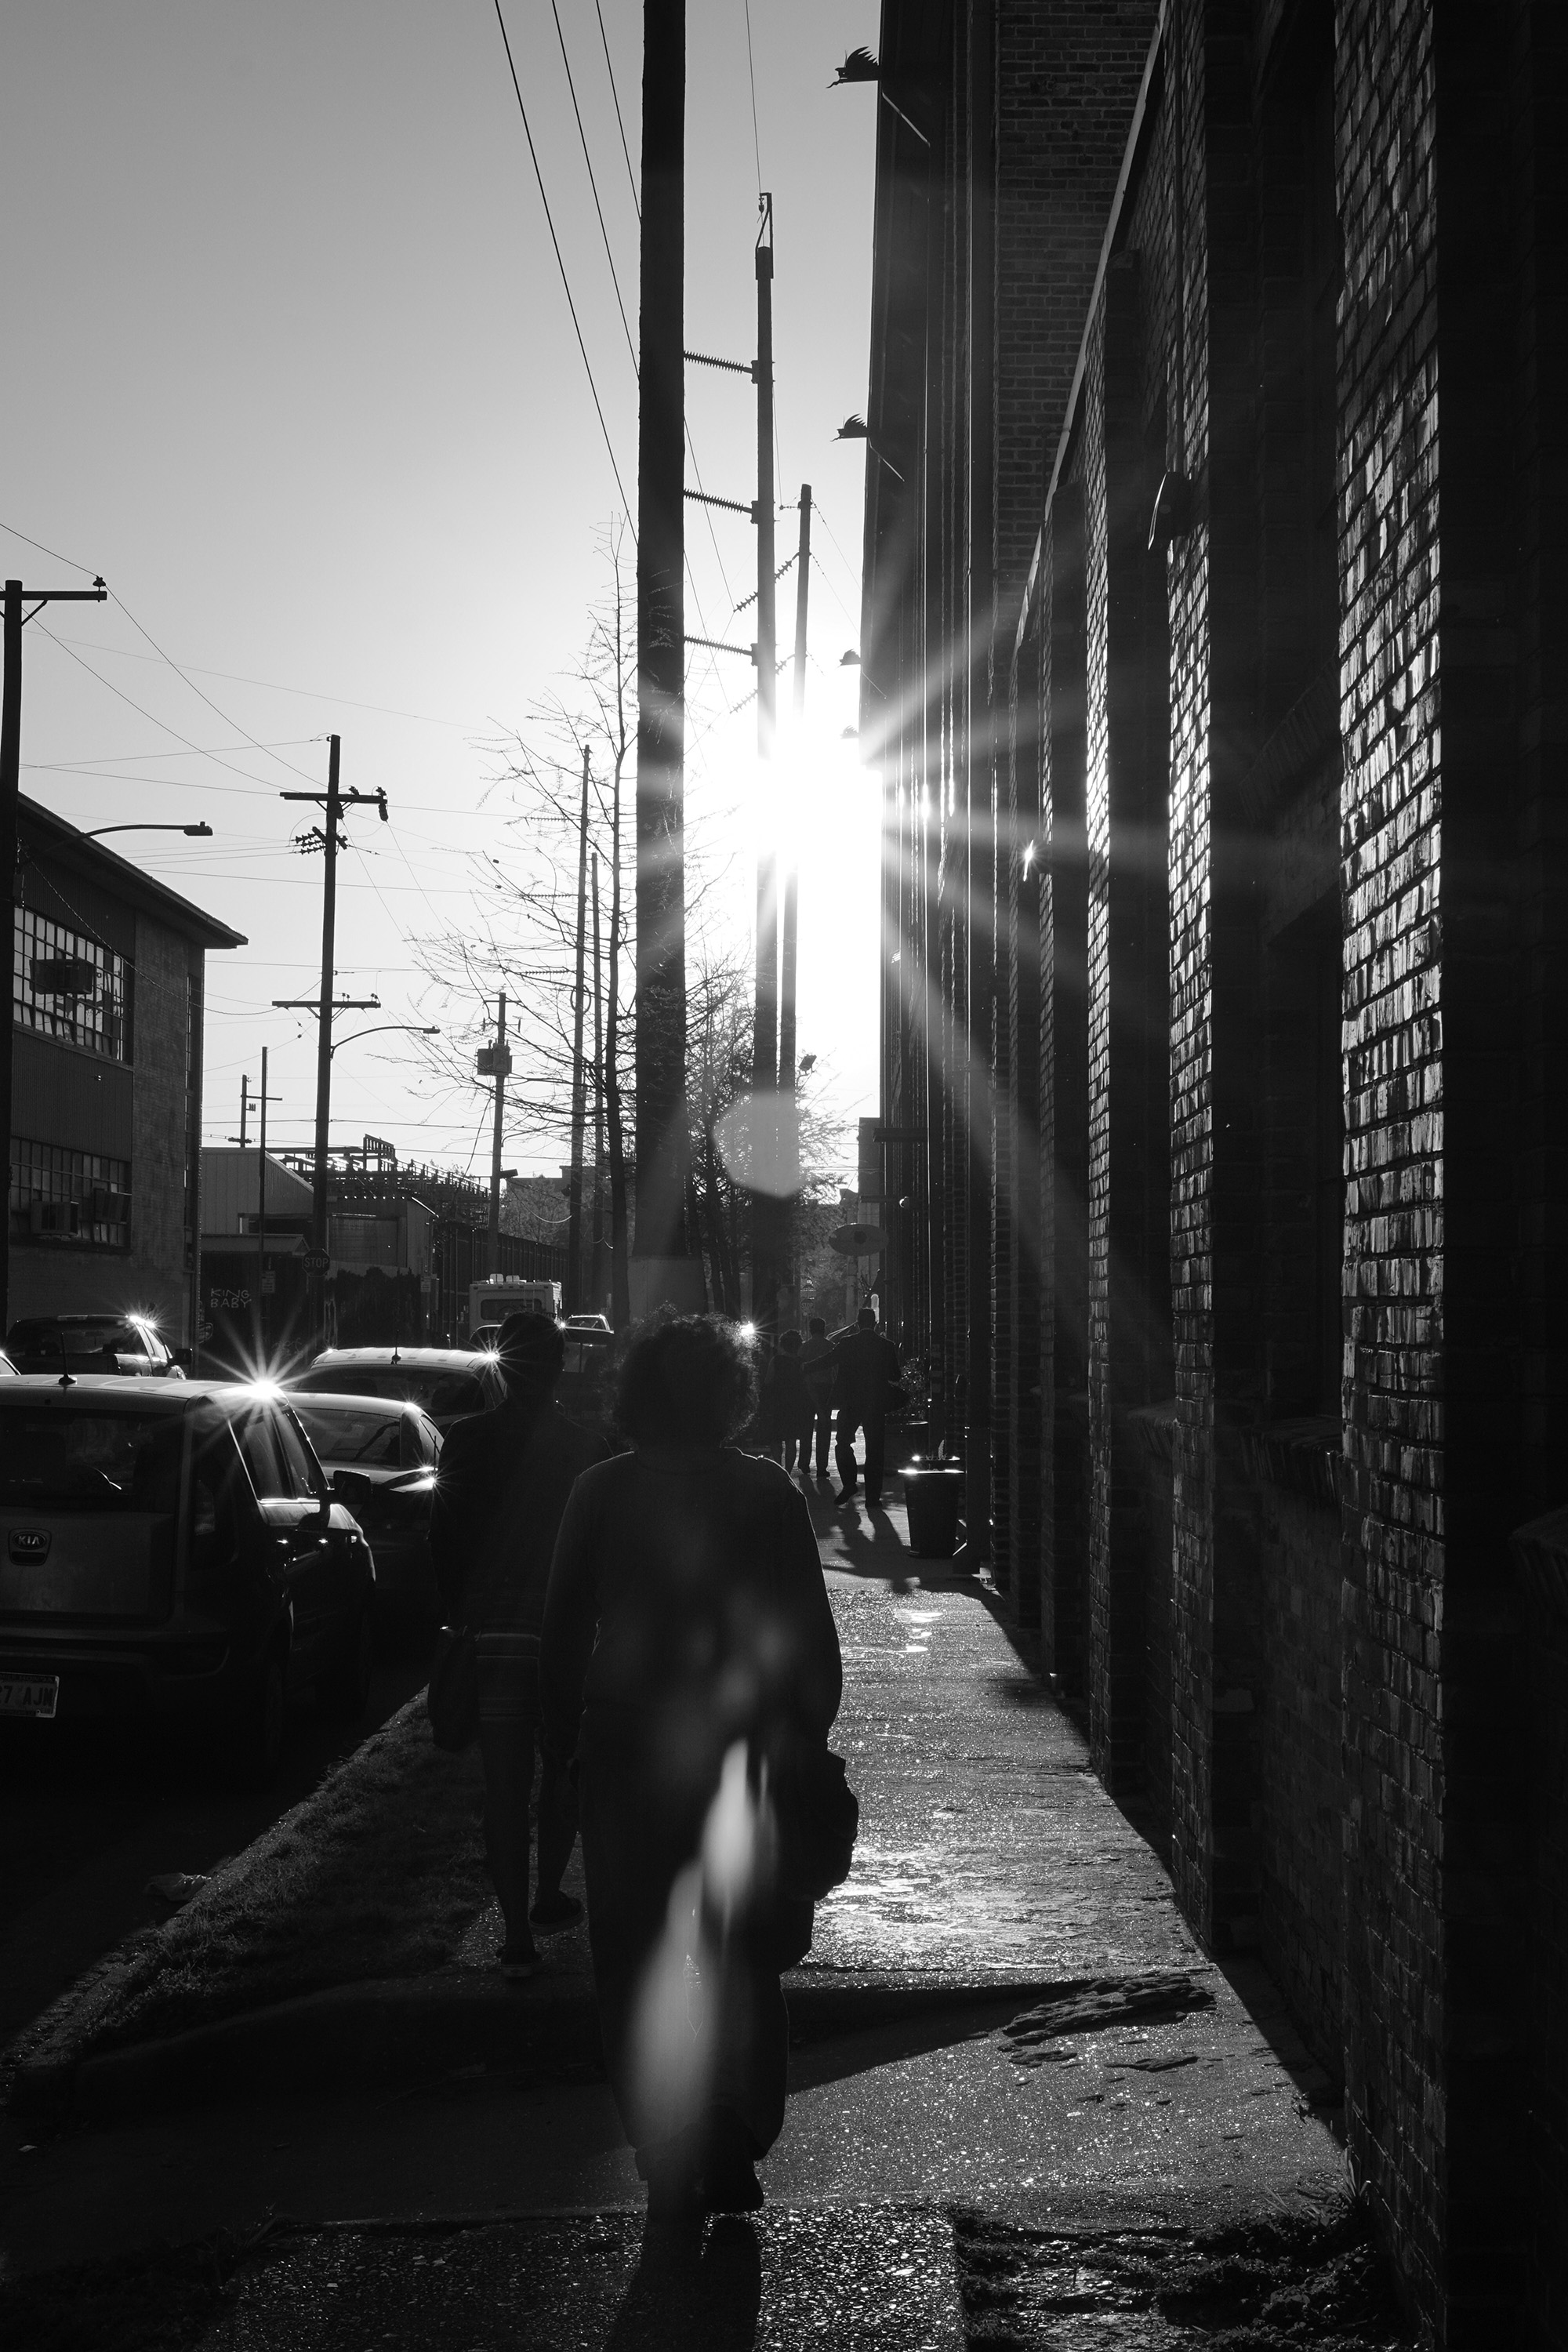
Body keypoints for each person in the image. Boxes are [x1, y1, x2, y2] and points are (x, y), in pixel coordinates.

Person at [540, 1314, 842, 2227]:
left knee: (633, 1955)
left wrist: (561, 1756)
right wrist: (804, 1734)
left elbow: (561, 1634)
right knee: (740, 1949)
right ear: (728, 1396)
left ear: (635, 1394)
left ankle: (662, 2145)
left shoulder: (599, 1492)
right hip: (739, 1749)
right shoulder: (765, 1493)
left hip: (626, 1751)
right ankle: (734, 2133)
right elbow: (808, 1641)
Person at [430, 1312, 604, 1977]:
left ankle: (514, 1936)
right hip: (563, 1631)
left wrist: (458, 1614)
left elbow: (442, 1536)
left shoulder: (467, 1442)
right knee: (561, 1772)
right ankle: (550, 1894)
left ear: (501, 1370)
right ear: (561, 1370)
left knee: (504, 1787)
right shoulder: (589, 1447)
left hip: (493, 1628)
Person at [830, 1305, 902, 1506]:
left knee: (843, 1442)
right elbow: (896, 1376)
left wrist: (806, 1367)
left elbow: (829, 1360)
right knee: (875, 1451)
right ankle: (873, 1498)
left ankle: (850, 1483)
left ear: (858, 1323)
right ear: (875, 1323)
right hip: (876, 1403)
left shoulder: (847, 1343)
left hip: (851, 1401)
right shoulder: (886, 1345)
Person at [764, 1328, 812, 1472]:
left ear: (783, 1344)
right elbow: (808, 1385)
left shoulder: (776, 1360)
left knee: (776, 1439)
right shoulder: (801, 1363)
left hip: (778, 1403)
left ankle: (778, 1467)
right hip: (796, 1405)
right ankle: (788, 1472)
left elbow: (768, 1382)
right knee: (791, 1440)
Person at [798, 1316, 835, 1481]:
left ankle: (804, 1462)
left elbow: (800, 1370)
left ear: (811, 1330)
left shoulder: (804, 1348)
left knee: (806, 1426)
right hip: (826, 1389)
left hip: (807, 1389)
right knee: (824, 1427)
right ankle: (822, 1466)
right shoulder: (831, 1347)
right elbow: (835, 1371)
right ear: (824, 1329)